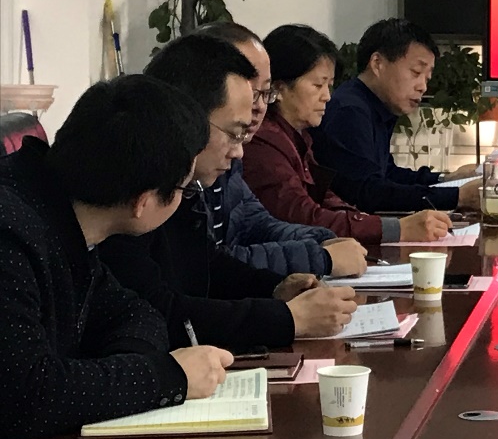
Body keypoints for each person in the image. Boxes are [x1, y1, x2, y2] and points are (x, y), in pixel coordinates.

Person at [0, 76, 235, 439]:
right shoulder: (11, 233)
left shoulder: (65, 215)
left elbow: (136, 315)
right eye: (183, 189)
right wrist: (167, 377)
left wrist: (124, 377)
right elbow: (26, 396)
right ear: (143, 202)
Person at [99, 35, 357, 351]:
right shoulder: (130, 187)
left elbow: (206, 263)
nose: (239, 151)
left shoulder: (183, 182)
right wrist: (287, 318)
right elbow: (156, 312)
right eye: (234, 133)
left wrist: (275, 288)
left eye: (264, 93)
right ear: (189, 119)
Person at [242, 24, 450, 245]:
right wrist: (394, 228)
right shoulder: (264, 141)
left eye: (329, 86)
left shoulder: (299, 137)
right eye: (318, 85)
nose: (327, 97)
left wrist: (369, 222)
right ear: (279, 88)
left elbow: (326, 197)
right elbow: (303, 216)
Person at [198, 22, 368, 279]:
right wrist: (321, 256)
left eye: (264, 92)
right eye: (250, 90)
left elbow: (258, 223)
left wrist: (324, 240)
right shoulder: (258, 142)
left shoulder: (243, 148)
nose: (257, 105)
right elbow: (209, 265)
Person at [312, 18, 479, 213]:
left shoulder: (373, 106)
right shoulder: (349, 111)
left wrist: (447, 179)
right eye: (416, 72)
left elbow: (387, 174)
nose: (423, 87)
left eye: (427, 78)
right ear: (377, 63)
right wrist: (458, 197)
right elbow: (369, 194)